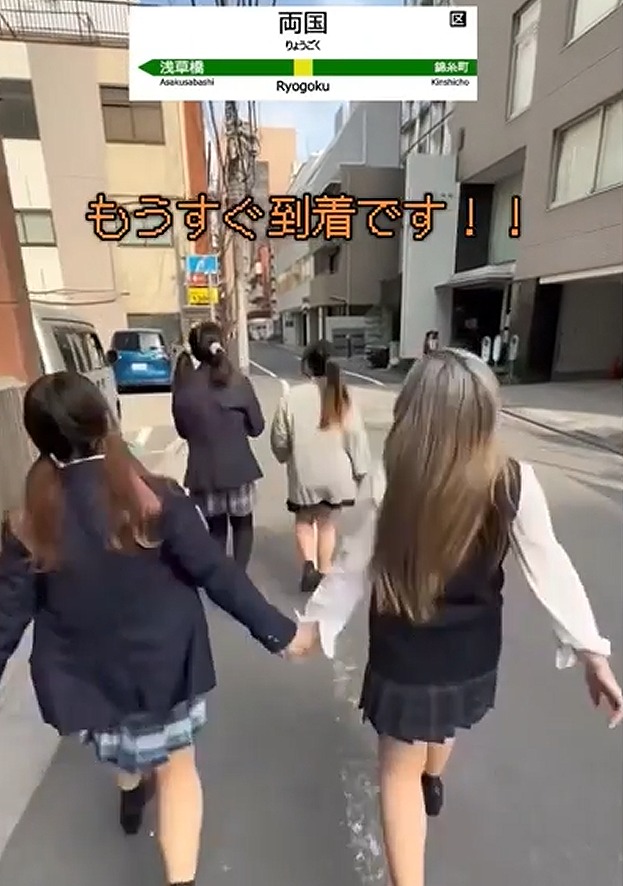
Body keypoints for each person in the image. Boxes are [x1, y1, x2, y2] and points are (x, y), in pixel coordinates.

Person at [298, 348, 622, 886]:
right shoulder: (512, 480)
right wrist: (592, 651)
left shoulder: (395, 474)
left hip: (404, 652)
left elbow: (356, 562)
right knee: (442, 723)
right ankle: (434, 779)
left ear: (413, 410)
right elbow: (549, 563)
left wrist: (314, 624)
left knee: (396, 772)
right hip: (470, 653)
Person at [0, 371, 313, 886]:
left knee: (123, 741)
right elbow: (216, 571)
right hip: (165, 667)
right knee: (177, 770)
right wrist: (279, 633)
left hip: (90, 679)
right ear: (103, 420)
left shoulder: (27, 523)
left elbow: (7, 618)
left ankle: (129, 792)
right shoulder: (154, 497)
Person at [270, 339, 370, 594]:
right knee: (327, 523)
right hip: (337, 475)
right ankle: (324, 571)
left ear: (307, 366)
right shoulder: (343, 396)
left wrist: (284, 456)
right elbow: (356, 437)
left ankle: (309, 565)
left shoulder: (292, 397)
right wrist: (360, 470)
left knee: (304, 520)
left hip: (304, 473)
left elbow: (280, 438)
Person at [172, 321, 264, 570]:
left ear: (195, 350)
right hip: (239, 470)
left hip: (203, 473)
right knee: (242, 525)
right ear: (221, 344)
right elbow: (257, 428)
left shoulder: (185, 386)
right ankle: (239, 575)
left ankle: (219, 577)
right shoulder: (238, 381)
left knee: (216, 529)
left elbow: (183, 431)